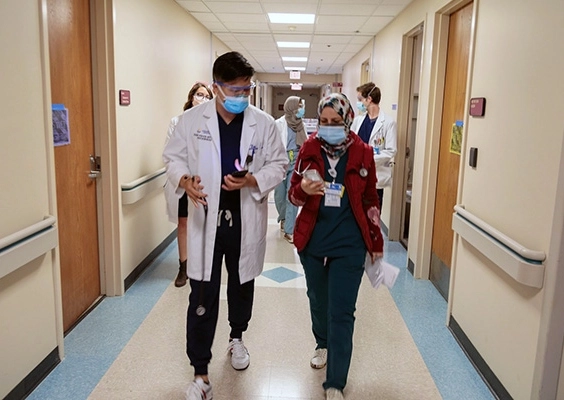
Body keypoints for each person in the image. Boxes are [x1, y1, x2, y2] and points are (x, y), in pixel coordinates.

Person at [162, 51, 287, 400]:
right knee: (202, 293)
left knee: (241, 283)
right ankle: (200, 373)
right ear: (216, 87)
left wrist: (252, 182)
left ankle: (237, 338)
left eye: (246, 89)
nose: (241, 96)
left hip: (244, 218)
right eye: (234, 90)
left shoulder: (263, 123)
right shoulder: (190, 121)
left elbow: (278, 165)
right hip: (205, 219)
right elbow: (171, 158)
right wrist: (184, 179)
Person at [288, 92, 384, 400]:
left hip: (350, 243)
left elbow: (370, 200)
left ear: (348, 121)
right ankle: (322, 343)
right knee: (318, 299)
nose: (328, 127)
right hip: (313, 239)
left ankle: (335, 382)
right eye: (324, 122)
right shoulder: (309, 147)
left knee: (342, 311)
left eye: (336, 122)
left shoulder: (363, 153)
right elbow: (293, 195)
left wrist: (376, 240)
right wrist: (302, 189)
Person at [164, 82, 213, 288]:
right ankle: (183, 267)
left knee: (204, 223)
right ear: (191, 97)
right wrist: (185, 178)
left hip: (204, 181)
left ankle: (202, 263)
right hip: (184, 181)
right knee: (183, 223)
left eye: (206, 96)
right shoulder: (178, 122)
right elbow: (171, 153)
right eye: (199, 94)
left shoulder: (213, 123)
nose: (202, 98)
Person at [351, 82, 397, 209]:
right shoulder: (358, 121)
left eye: (360, 99)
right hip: (356, 175)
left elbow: (391, 150)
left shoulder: (388, 122)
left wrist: (368, 159)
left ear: (369, 99)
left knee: (373, 215)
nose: (359, 103)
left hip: (375, 176)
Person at [274, 96, 308, 243]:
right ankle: (283, 217)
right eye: (299, 106)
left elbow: (305, 143)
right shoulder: (278, 124)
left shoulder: (301, 125)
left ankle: (289, 229)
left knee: (291, 196)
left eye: (301, 106)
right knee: (279, 196)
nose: (301, 109)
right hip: (281, 161)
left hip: (296, 161)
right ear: (291, 107)